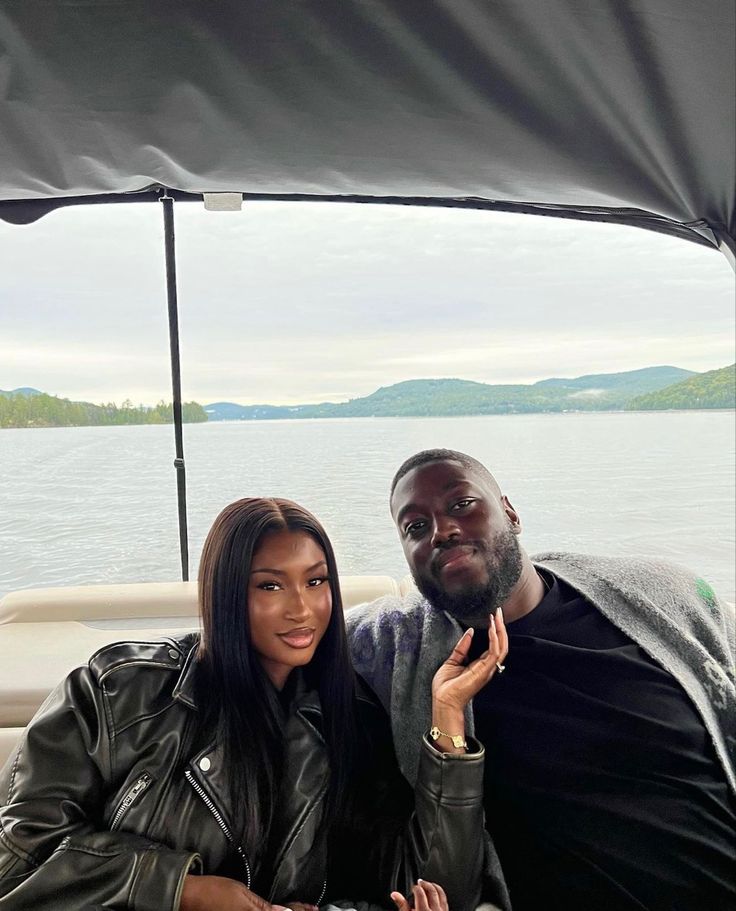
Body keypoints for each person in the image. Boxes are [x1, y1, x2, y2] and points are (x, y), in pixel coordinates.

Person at [0, 496, 508, 911]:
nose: (302, 608)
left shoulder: (350, 715)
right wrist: (186, 891)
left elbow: (429, 889)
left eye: (316, 581)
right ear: (226, 594)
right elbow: (17, 857)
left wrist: (448, 725)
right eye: (270, 585)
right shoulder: (119, 691)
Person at [346, 449, 736, 911]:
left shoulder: (656, 601)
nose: (442, 531)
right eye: (415, 527)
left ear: (510, 513)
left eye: (461, 505)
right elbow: (301, 632)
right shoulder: (401, 648)